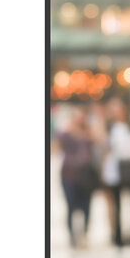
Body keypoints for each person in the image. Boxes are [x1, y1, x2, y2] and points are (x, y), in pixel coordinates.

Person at [54, 106, 96, 248]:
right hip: (68, 174)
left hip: (86, 175)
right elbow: (55, 146)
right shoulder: (65, 134)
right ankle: (72, 236)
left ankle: (84, 234)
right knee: (70, 207)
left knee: (86, 207)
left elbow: (98, 140)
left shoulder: (88, 132)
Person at [104, 98, 130, 248]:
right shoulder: (114, 128)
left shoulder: (128, 128)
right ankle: (119, 235)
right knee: (118, 206)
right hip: (118, 171)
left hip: (128, 169)